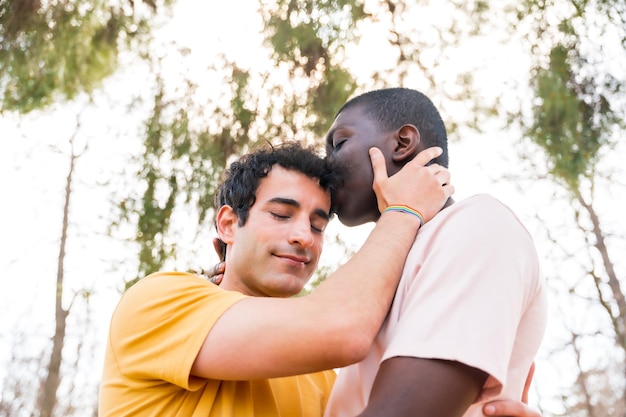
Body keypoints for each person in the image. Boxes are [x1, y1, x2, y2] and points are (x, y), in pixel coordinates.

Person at [99, 141, 454, 416]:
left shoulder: (321, 375)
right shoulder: (160, 300)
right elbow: (343, 327)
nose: (305, 237)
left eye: (317, 225)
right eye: (282, 214)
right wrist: (402, 213)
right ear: (227, 224)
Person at [320, 87, 548, 417]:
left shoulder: (478, 225)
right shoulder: (387, 277)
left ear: (402, 143)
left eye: (338, 144)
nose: (325, 167)